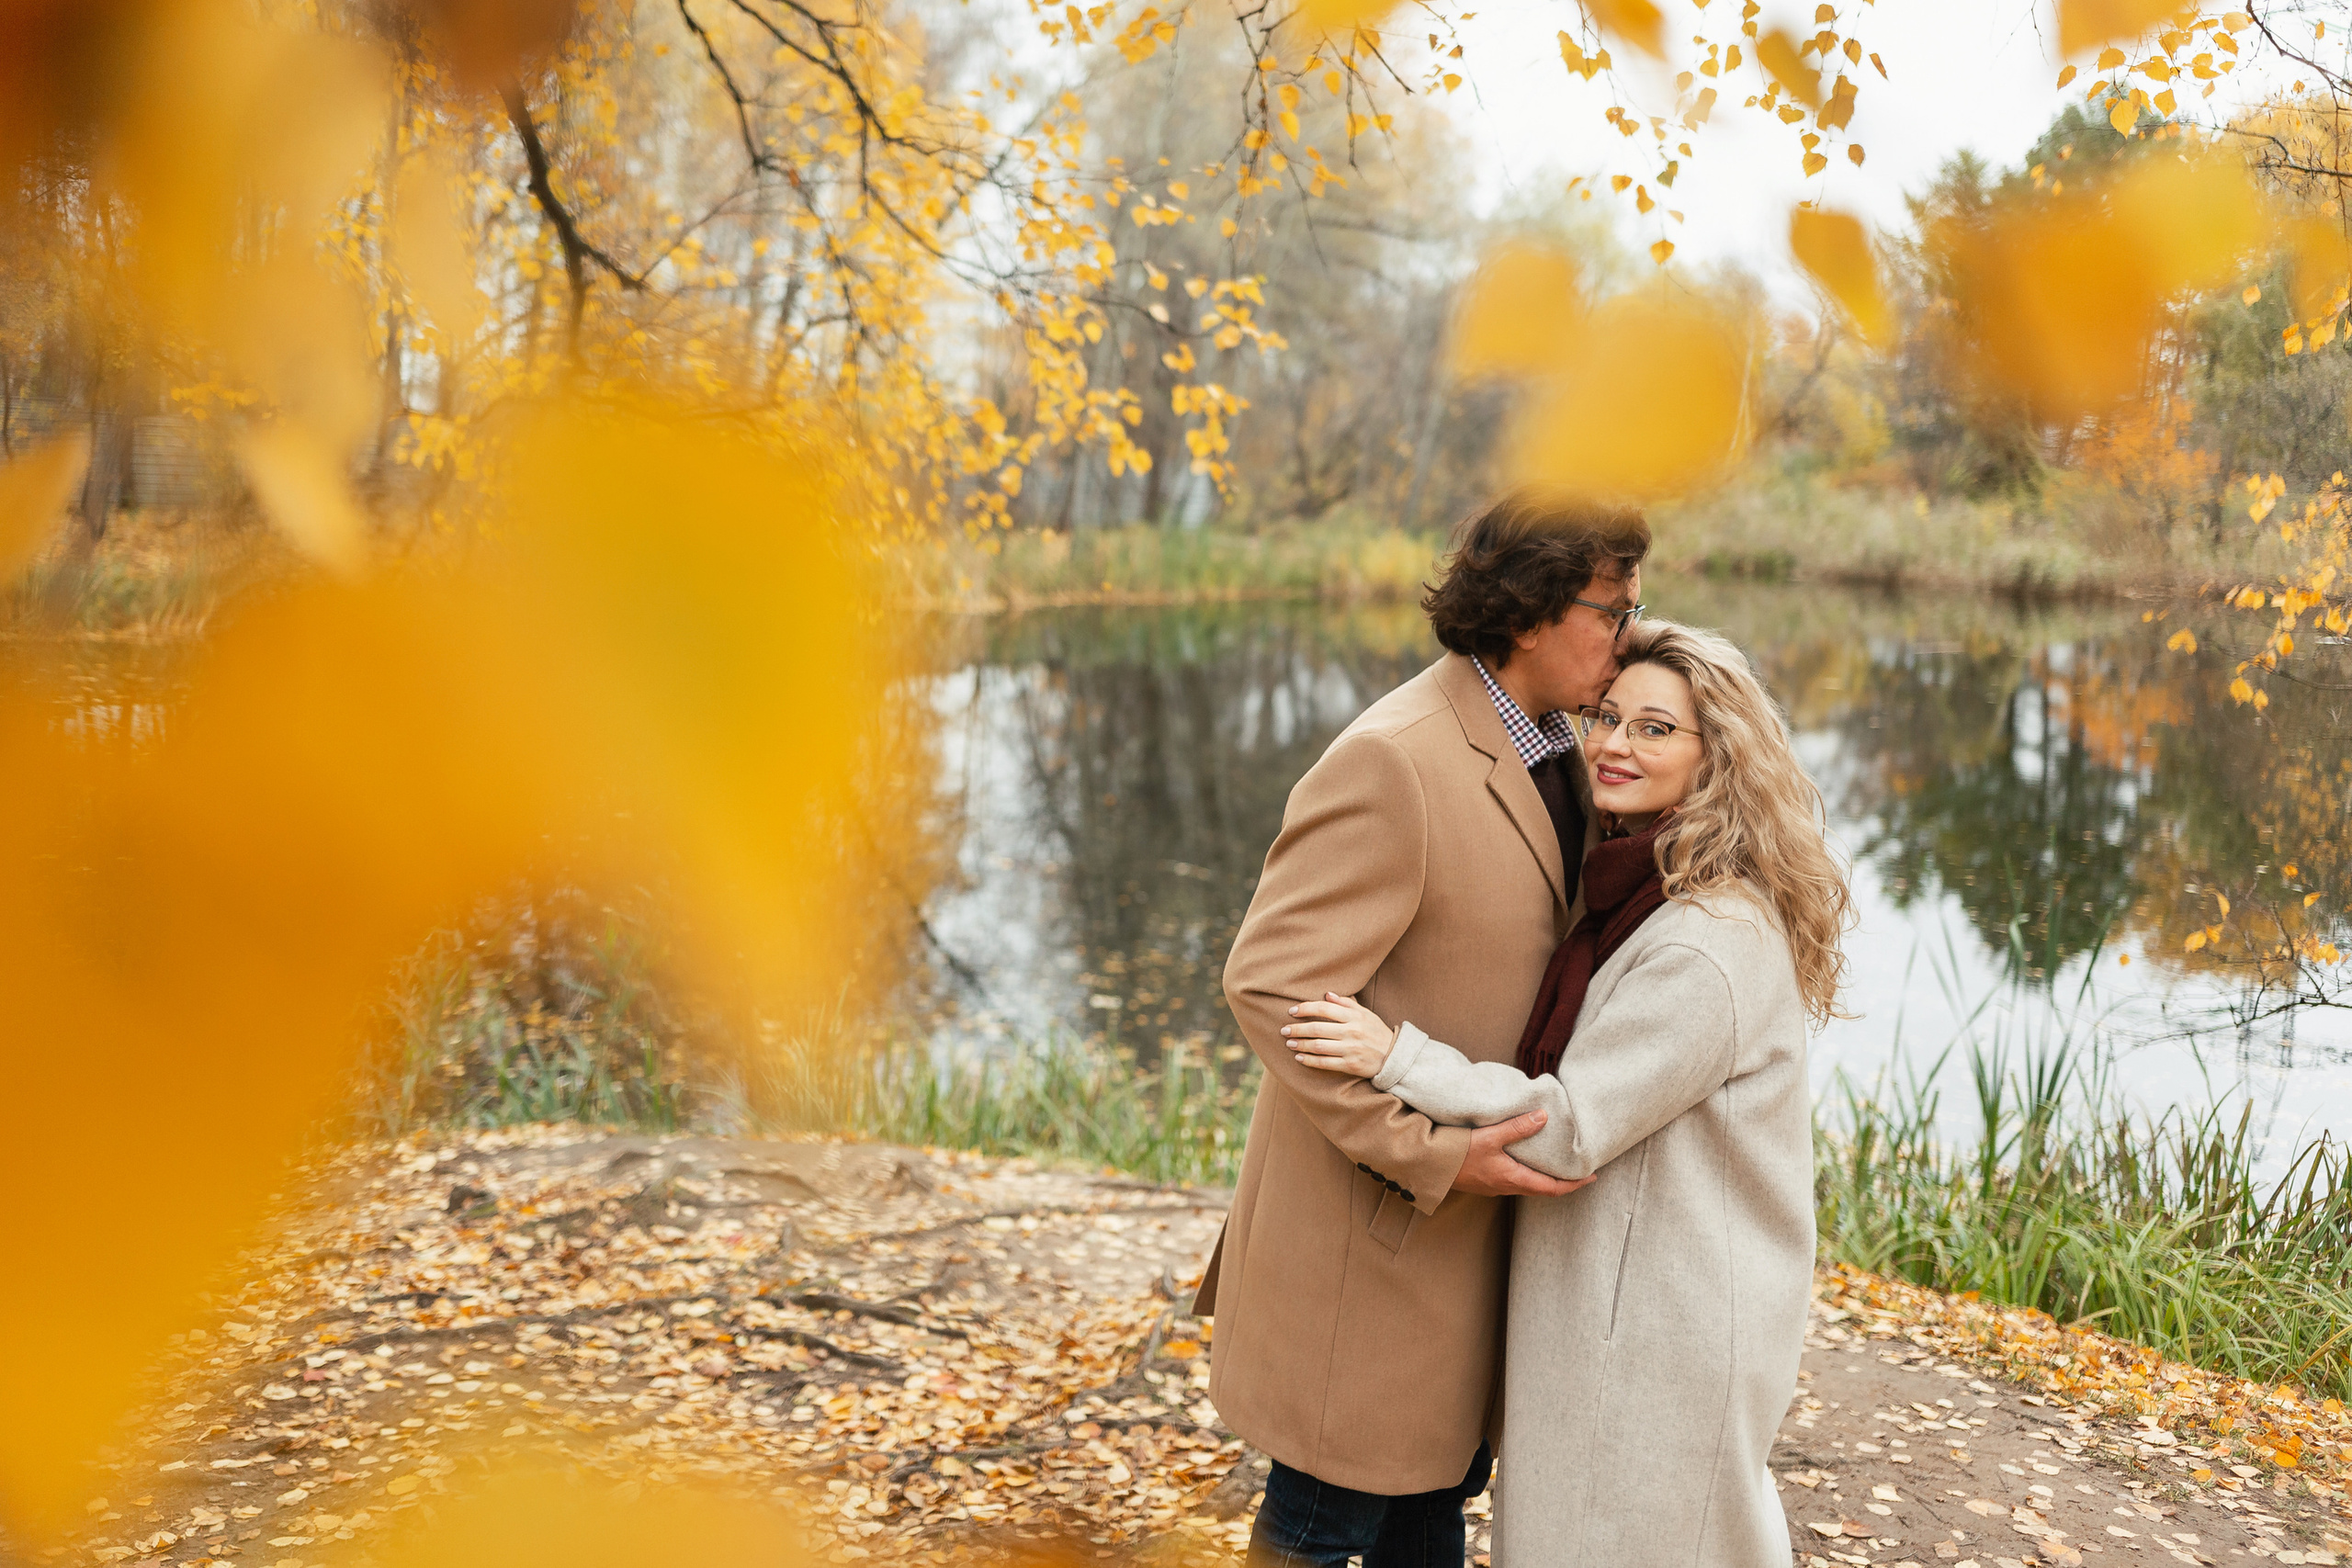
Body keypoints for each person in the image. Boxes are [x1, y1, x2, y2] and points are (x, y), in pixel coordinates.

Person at [1282, 619, 1854, 1568]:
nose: (1615, 744)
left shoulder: (1706, 944)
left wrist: (1393, 1054)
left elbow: (1570, 1126)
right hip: (1634, 1299)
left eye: (1655, 728)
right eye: (1605, 715)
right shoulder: (1646, 889)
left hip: (1658, 1330)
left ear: (1720, 755)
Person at [1193, 488, 1650, 1568]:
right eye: (1614, 611)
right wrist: (1435, 1153)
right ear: (1533, 612)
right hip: (1370, 1245)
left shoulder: (1559, 746)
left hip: (1468, 1253)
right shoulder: (1394, 758)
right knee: (1318, 1529)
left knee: (1429, 1514)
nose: (1630, 636)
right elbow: (1269, 983)